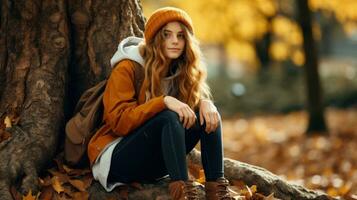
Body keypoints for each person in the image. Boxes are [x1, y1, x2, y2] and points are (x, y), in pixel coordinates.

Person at [87, 7, 235, 200]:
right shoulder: (128, 67)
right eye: (167, 35)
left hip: (155, 162)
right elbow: (119, 122)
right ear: (156, 38)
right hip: (117, 159)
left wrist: (206, 103)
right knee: (167, 116)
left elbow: (188, 114)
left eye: (180, 36)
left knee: (207, 116)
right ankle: (183, 195)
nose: (175, 41)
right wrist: (163, 102)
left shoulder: (181, 70)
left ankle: (217, 192)